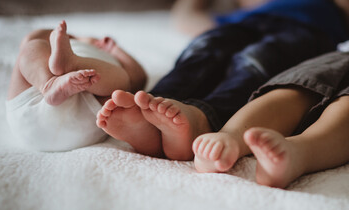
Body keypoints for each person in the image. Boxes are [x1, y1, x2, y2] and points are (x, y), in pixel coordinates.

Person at [96, 0, 349, 160]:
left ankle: (201, 118)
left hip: (305, 31)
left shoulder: (323, 8)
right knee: (203, 49)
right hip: (234, 28)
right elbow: (185, 18)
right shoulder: (237, 16)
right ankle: (153, 111)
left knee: (255, 62)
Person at [193, 50, 349, 188]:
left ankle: (298, 152)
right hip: (341, 54)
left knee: (344, 109)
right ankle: (231, 135)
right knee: (298, 86)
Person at [6, 20, 147, 151]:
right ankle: (49, 82)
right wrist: (69, 38)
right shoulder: (64, 43)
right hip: (44, 96)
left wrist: (114, 49)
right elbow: (31, 39)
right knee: (31, 47)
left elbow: (139, 77)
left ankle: (66, 69)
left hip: (32, 124)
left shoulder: (110, 58)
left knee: (123, 81)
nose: (101, 41)